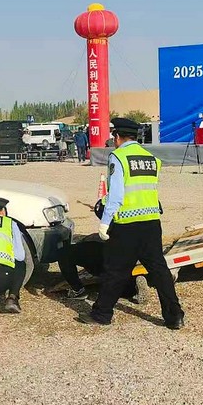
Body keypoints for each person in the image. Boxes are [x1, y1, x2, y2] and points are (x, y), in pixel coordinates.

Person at [79, 118, 184, 329]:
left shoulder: (118, 157)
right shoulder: (151, 159)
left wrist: (105, 222)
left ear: (117, 137)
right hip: (151, 222)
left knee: (115, 271)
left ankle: (102, 314)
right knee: (159, 270)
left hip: (127, 224)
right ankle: (174, 316)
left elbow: (116, 195)